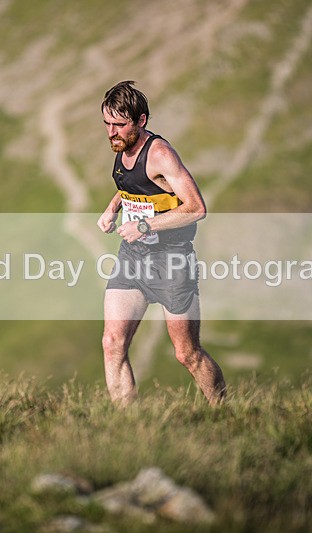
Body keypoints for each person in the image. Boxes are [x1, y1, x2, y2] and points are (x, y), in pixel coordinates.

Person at [96, 80, 226, 406]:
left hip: (172, 261)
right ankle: (128, 426)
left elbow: (196, 208)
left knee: (187, 354)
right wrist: (112, 208)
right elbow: (132, 185)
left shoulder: (161, 155)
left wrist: (144, 225)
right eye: (107, 124)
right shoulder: (121, 146)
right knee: (112, 343)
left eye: (119, 125)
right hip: (132, 258)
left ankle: (224, 413)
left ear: (141, 121)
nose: (111, 132)